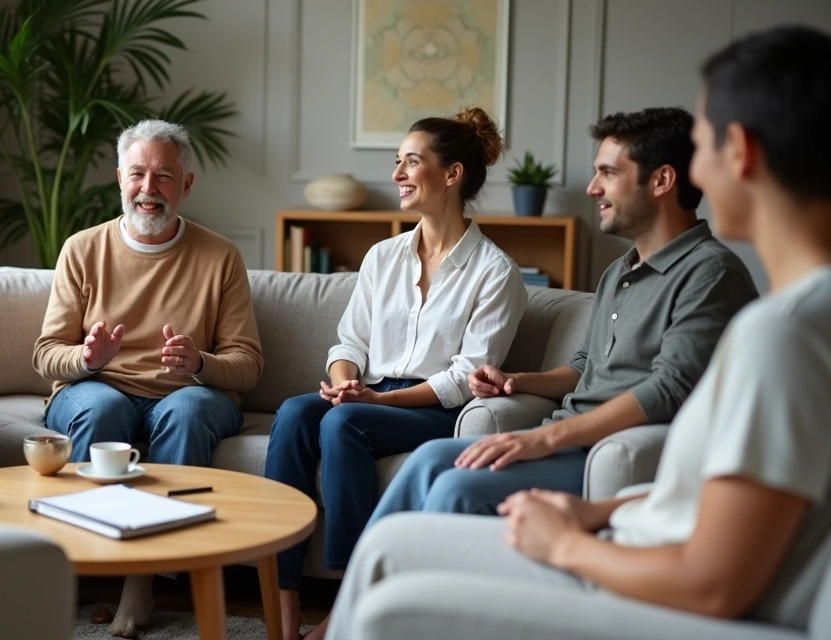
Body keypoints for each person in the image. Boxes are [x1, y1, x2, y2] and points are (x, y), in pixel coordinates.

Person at [324, 24, 831, 639]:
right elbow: (684, 485)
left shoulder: (772, 329)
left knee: (400, 568)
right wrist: (521, 389)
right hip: (623, 519)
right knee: (408, 503)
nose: (591, 187)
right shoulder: (734, 308)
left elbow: (714, 574)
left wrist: (566, 535)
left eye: (703, 142)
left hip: (633, 547)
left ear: (741, 152)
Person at [366, 106, 757, 523]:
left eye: (608, 173)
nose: (592, 188)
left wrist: (546, 439)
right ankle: (364, 586)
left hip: (606, 449)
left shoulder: (710, 273)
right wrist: (515, 381)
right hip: (566, 435)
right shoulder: (620, 272)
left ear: (661, 180)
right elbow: (585, 367)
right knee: (427, 460)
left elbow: (669, 390)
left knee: (456, 486)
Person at [263, 107, 528, 640]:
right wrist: (343, 381)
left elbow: (464, 377)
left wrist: (375, 404)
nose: (397, 174)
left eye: (412, 162)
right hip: (369, 394)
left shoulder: (496, 272)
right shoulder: (383, 257)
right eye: (398, 161)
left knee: (343, 424)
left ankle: (347, 607)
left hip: (433, 409)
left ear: (451, 175)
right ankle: (283, 605)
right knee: (295, 413)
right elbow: (350, 342)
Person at [34, 119, 263, 637]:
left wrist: (200, 363)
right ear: (120, 178)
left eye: (163, 177)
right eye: (137, 174)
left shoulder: (220, 256)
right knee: (102, 407)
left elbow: (247, 365)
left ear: (186, 185)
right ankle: (96, 565)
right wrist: (88, 360)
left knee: (188, 409)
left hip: (187, 394)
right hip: (95, 388)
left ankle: (140, 579)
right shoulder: (82, 249)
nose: (148, 189)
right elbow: (46, 356)